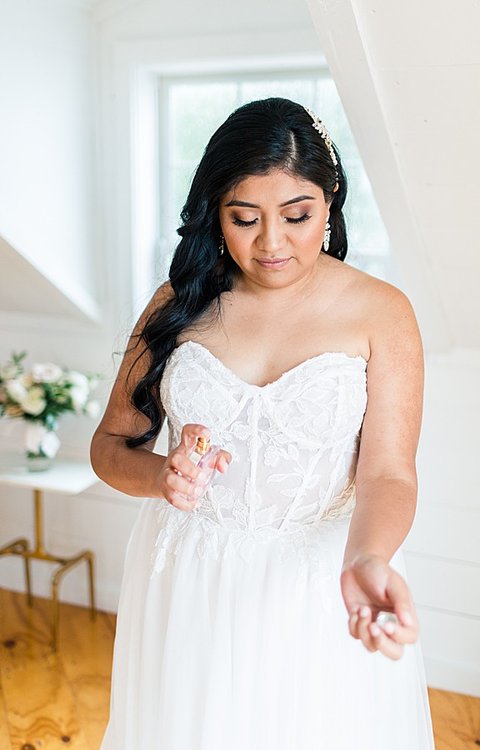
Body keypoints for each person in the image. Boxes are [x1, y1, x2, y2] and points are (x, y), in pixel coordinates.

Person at [90, 97, 434, 749]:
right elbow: (109, 446)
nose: (271, 243)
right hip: (187, 574)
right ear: (215, 212)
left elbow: (388, 471)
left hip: (317, 579)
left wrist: (368, 559)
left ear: (330, 201)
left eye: (296, 216)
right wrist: (162, 473)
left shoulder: (382, 312)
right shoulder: (177, 303)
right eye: (244, 218)